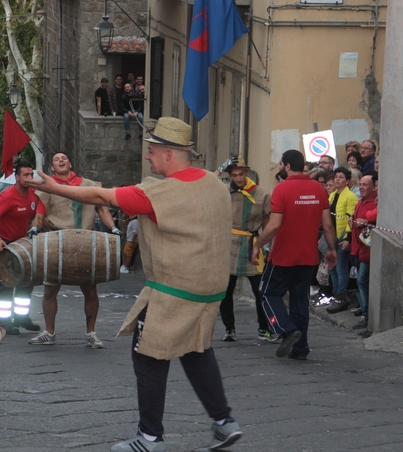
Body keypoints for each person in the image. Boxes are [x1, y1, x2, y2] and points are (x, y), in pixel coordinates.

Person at [27, 117, 243, 452]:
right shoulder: (214, 183)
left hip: (175, 289)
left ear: (170, 154)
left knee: (148, 356)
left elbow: (100, 194)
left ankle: (150, 437)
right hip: (211, 288)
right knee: (195, 350)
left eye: (153, 151)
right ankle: (224, 422)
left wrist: (52, 187)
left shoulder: (158, 191)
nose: (148, 157)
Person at [30, 152, 122, 348]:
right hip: (57, 242)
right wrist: (34, 227)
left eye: (64, 157)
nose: (61, 160)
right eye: (56, 159)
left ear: (70, 163)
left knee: (90, 291)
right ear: (52, 168)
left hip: (85, 242)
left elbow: (102, 210)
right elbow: (40, 214)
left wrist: (113, 228)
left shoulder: (88, 185)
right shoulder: (48, 188)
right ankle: (49, 332)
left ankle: (91, 333)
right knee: (49, 291)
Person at [252, 149, 337, 361]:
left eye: (282, 165)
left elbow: (274, 226)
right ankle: (300, 348)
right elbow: (327, 224)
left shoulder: (281, 189)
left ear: (287, 166)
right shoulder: (318, 189)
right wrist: (332, 249)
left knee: (267, 292)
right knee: (300, 300)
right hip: (308, 256)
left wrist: (258, 244)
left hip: (283, 255)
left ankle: (286, 330)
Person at [216, 156, 274, 343]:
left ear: (247, 173)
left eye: (241, 174)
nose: (238, 179)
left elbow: (267, 221)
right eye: (234, 175)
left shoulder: (261, 194)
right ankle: (229, 329)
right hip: (229, 243)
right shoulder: (224, 192)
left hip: (252, 245)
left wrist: (268, 245)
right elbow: (205, 184)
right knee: (226, 290)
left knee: (260, 290)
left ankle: (263, 328)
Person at [0, 162, 45, 335]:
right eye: (25, 175)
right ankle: (3, 321)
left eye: (31, 175)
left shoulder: (33, 194)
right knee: (7, 282)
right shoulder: (8, 196)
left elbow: (37, 215)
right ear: (17, 178)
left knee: (27, 281)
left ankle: (20, 317)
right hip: (4, 242)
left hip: (22, 244)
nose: (29, 178)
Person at [325, 167, 359, 313]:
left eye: (340, 177)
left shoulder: (350, 196)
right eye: (336, 177)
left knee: (341, 268)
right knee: (332, 267)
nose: (337, 179)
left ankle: (341, 296)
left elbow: (349, 219)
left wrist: (347, 238)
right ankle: (336, 293)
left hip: (341, 237)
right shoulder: (332, 195)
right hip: (331, 237)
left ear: (347, 181)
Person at [350, 173, 378, 331]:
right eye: (360, 184)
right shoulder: (360, 202)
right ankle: (365, 310)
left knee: (362, 280)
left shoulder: (375, 203)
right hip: (358, 249)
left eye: (365, 184)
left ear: (374, 187)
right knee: (360, 281)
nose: (361, 187)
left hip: (368, 251)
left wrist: (368, 220)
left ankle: (367, 314)